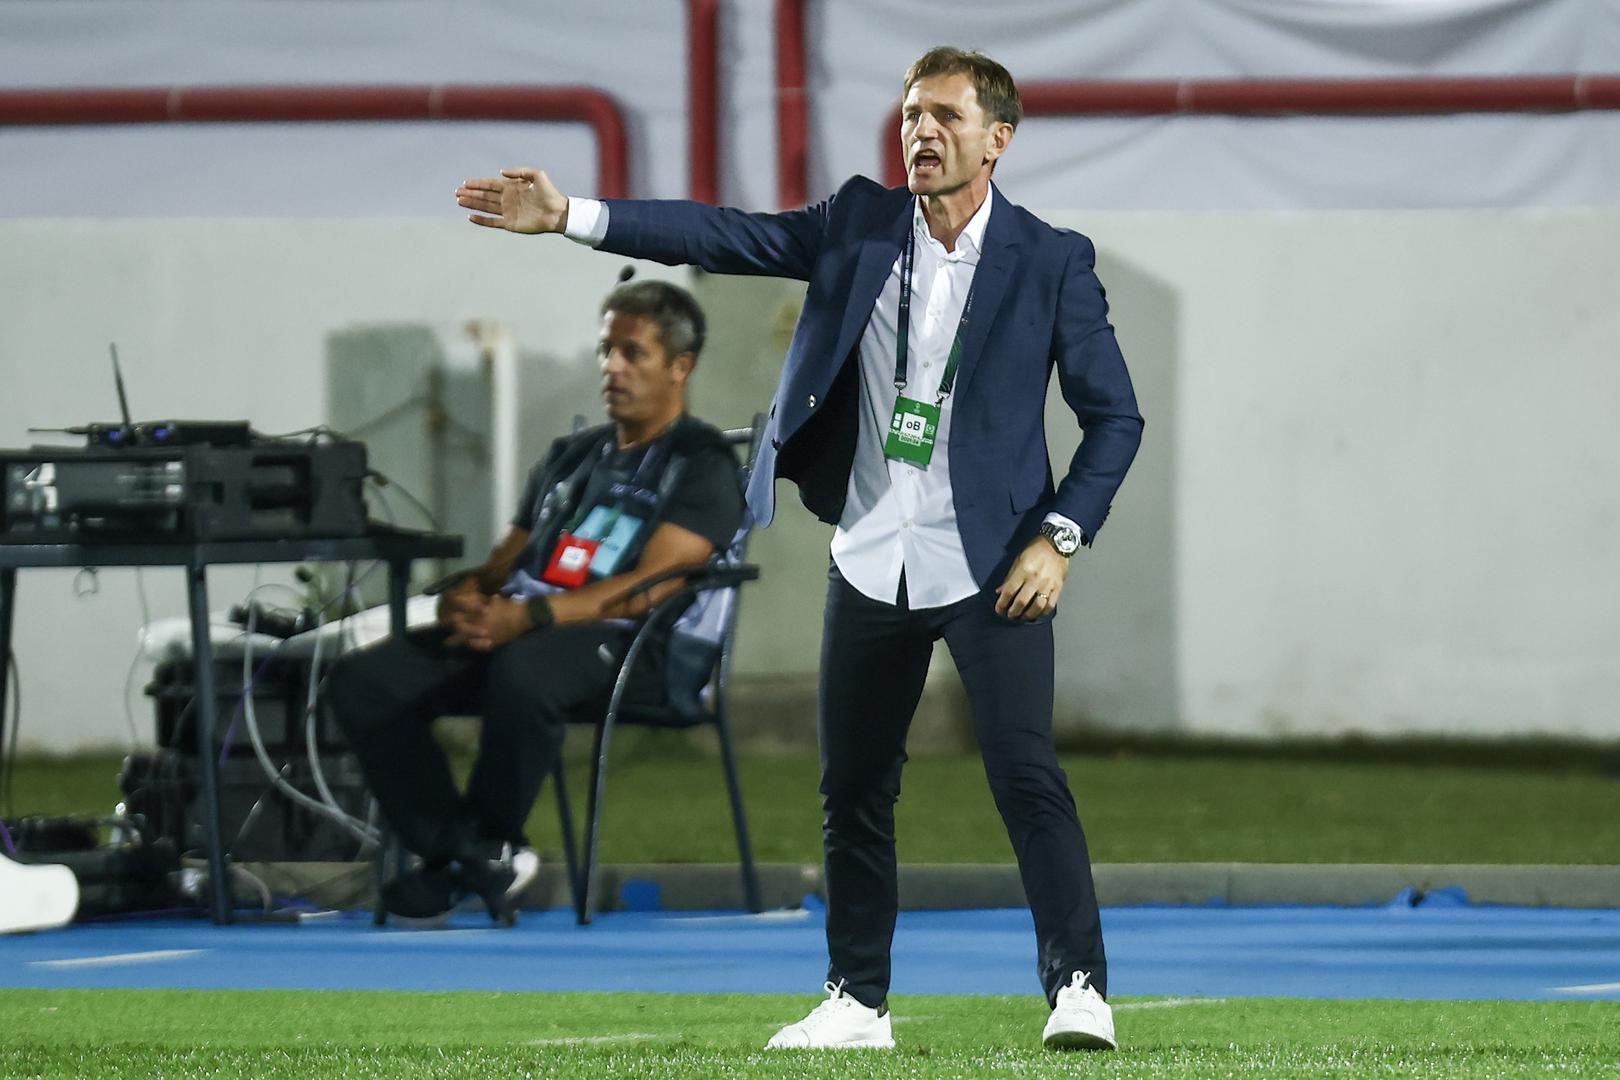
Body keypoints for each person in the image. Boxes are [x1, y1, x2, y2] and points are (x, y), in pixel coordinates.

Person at [455, 46, 1142, 1049]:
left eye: (947, 116)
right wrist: (573, 216)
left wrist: (1060, 536)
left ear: (999, 138)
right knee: (852, 790)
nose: (922, 132)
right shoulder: (859, 223)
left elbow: (1115, 418)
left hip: (993, 562)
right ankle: (858, 1002)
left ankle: (1078, 988)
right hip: (870, 550)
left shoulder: (1051, 260)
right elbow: (723, 233)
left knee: (1025, 778)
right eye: (912, 114)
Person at [325, 280, 744, 925]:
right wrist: (467, 598)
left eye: (632, 353)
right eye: (605, 351)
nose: (612, 367)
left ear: (680, 367)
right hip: (529, 630)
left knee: (525, 670)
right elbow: (505, 564)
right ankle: (468, 852)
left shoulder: (703, 462)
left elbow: (649, 589)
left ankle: (483, 845)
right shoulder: (571, 458)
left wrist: (529, 617)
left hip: (644, 648)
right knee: (365, 681)